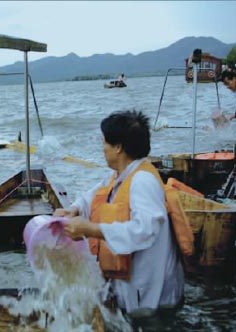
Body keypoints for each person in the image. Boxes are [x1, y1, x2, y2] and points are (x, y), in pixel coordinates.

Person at [54, 110, 184, 317]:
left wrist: (91, 229)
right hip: (133, 286)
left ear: (118, 148)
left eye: (105, 142)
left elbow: (144, 229)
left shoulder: (143, 181)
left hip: (151, 293)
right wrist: (75, 209)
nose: (102, 148)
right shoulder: (122, 175)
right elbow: (94, 195)